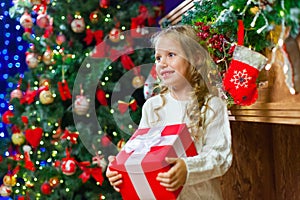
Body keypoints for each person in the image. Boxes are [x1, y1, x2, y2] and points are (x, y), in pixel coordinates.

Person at [106, 24, 232, 199]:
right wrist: (119, 167)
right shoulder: (153, 107)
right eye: (158, 58)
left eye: (171, 55)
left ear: (195, 59)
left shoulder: (212, 105)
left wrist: (187, 168)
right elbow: (138, 151)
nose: (162, 63)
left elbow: (220, 157)